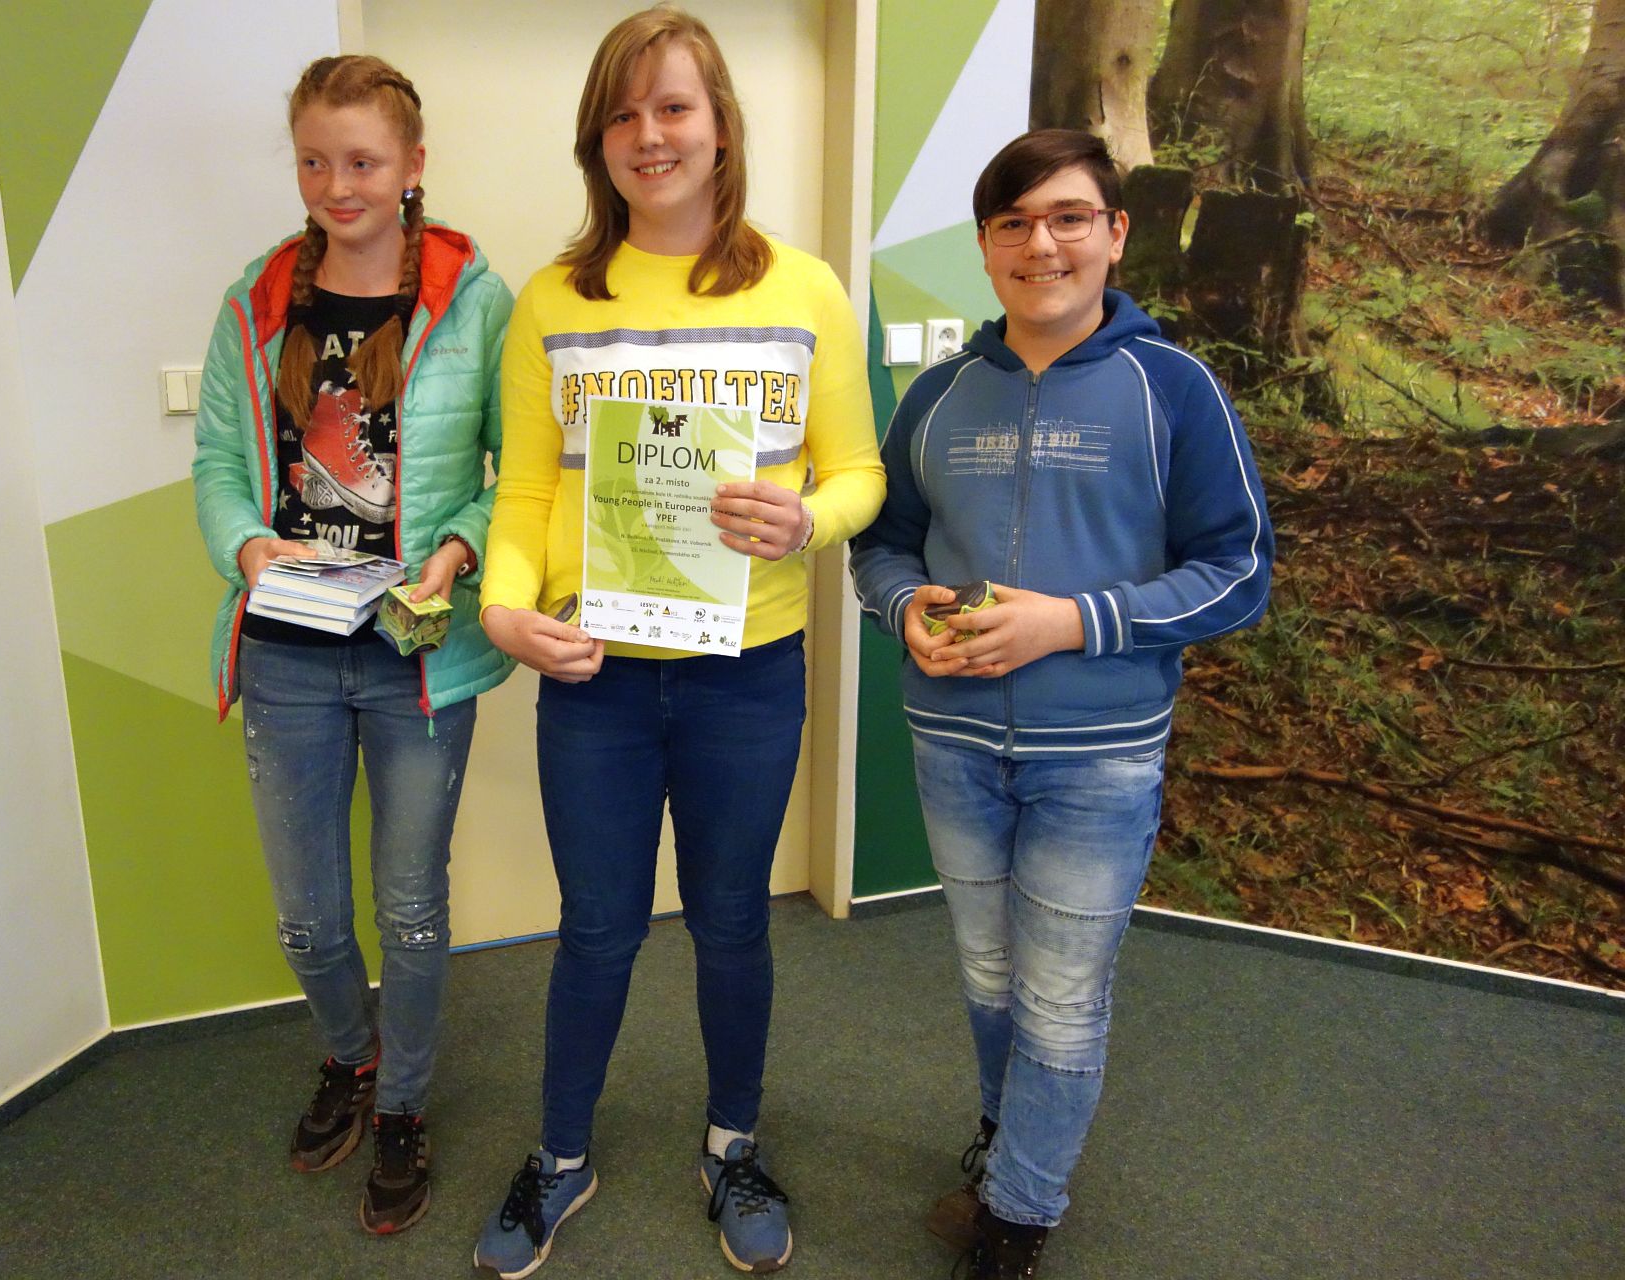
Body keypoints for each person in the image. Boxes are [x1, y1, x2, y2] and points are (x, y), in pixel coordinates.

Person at [469, 7, 885, 1276]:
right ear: (596, 140)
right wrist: (503, 607)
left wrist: (805, 518)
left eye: (673, 106)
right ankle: (560, 1156)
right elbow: (523, 493)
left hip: (746, 677)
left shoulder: (803, 288)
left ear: (720, 127)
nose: (648, 134)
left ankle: (731, 1143)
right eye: (623, 112)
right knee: (596, 927)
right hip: (594, 677)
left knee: (731, 922)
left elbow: (859, 473)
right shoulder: (554, 299)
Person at [849, 129, 1273, 1279]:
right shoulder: (938, 394)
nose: (1043, 244)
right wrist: (905, 604)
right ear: (986, 246)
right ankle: (1008, 1143)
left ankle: (1020, 1213)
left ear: (1115, 233)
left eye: (1070, 217)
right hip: (952, 745)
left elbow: (1237, 570)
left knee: (1060, 992)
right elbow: (879, 547)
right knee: (990, 976)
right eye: (1015, 223)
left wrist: (1071, 621)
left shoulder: (1172, 388)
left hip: (1099, 757)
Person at [189, 53, 513, 1236]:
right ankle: (352, 1053)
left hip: (413, 655)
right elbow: (218, 463)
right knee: (310, 918)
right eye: (314, 162)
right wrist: (248, 547)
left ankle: (405, 1105)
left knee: (411, 909)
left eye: (364, 161)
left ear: (413, 164)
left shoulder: (476, 302)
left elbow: (516, 474)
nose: (338, 185)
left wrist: (458, 551)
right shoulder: (257, 299)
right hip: (288, 647)